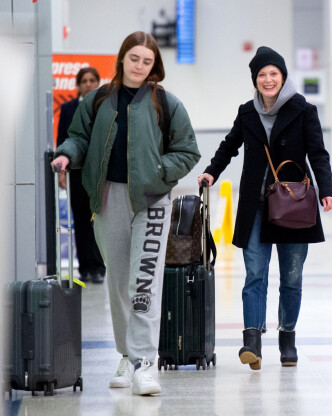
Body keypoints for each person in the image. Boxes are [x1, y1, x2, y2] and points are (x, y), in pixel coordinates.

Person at [52, 31, 200, 395]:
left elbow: (188, 151)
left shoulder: (165, 103)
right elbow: (79, 137)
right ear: (122, 59)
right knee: (119, 284)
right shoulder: (99, 99)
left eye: (147, 61)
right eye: (134, 58)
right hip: (107, 199)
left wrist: (158, 173)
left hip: (151, 200)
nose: (139, 66)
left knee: (144, 283)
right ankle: (127, 355)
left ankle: (144, 364)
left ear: (154, 66)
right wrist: (67, 154)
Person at [197, 46, 332, 371]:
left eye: (274, 73)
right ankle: (252, 341)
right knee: (254, 275)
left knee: (291, 277)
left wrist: (326, 190)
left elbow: (318, 153)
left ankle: (287, 336)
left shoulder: (303, 110)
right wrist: (211, 171)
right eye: (262, 75)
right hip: (255, 207)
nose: (268, 79)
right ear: (255, 80)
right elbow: (229, 146)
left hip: (293, 207)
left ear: (283, 77)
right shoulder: (247, 112)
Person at [56, 67, 106, 284]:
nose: (88, 84)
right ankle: (85, 267)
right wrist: (61, 173)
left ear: (98, 82)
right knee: (82, 221)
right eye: (84, 80)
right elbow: (62, 139)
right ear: (78, 85)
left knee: (100, 222)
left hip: (101, 175)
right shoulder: (68, 108)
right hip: (76, 174)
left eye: (92, 80)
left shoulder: (106, 108)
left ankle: (99, 267)